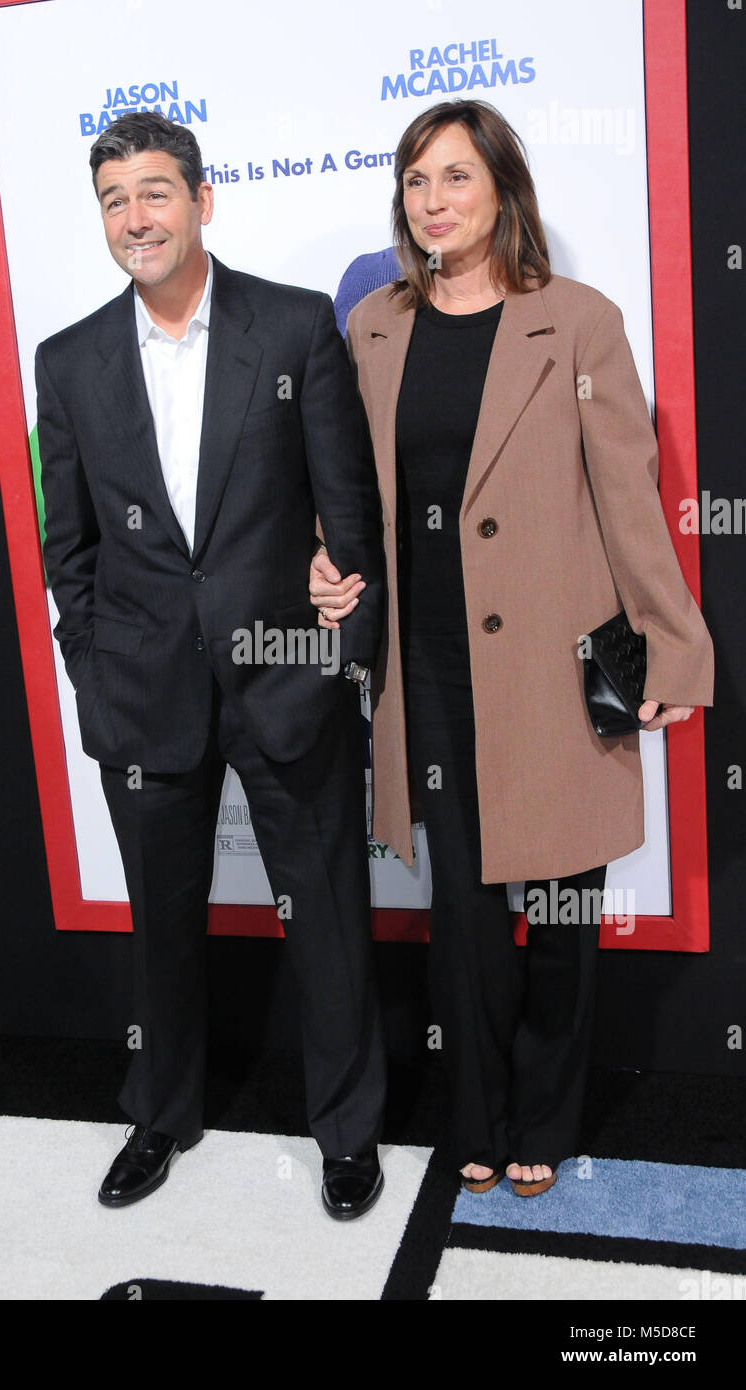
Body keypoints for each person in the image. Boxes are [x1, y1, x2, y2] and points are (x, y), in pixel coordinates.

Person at [310, 99, 713, 1197]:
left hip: (552, 653)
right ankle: (479, 1118)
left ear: (502, 190)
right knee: (465, 909)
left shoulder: (577, 320)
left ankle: (548, 1112)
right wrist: (324, 561)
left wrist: (672, 649)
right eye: (413, 182)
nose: (432, 201)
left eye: (454, 178)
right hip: (428, 660)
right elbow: (351, 492)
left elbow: (630, 499)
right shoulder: (376, 326)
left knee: (564, 906)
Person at [36, 112, 387, 1219]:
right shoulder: (68, 358)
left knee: (327, 918)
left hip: (288, 677)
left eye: (153, 192)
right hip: (143, 692)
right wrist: (92, 662)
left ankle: (347, 1132)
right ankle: (161, 1113)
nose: (134, 217)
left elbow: (351, 514)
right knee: (160, 925)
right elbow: (69, 545)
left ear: (202, 199)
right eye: (113, 200)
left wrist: (344, 647)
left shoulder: (288, 330)